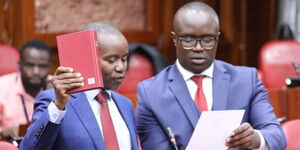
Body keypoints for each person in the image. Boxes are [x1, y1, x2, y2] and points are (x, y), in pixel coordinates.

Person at [136, 2, 287, 150]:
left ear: (217, 38)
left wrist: (255, 139)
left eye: (207, 39)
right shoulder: (151, 93)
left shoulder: (247, 80)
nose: (198, 48)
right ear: (175, 39)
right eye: (188, 39)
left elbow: (276, 136)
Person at [19, 22, 139, 150]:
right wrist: (58, 106)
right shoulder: (54, 101)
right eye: (111, 60)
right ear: (89, 58)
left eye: (124, 59)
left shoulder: (125, 105)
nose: (120, 67)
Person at [0, 40, 52, 140]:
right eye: (30, 65)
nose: (36, 71)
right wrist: (3, 133)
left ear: (49, 67)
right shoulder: (2, 87)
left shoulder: (58, 87)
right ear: (20, 65)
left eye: (42, 66)